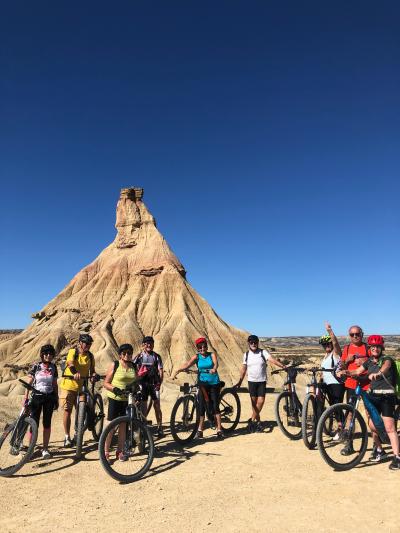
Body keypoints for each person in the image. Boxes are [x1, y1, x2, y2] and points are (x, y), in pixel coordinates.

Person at [340, 335, 400, 470]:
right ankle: (380, 450)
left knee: (389, 427)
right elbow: (357, 371)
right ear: (370, 348)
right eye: (373, 347)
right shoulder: (368, 362)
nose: (375, 349)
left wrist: (378, 374)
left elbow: (385, 367)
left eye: (378, 347)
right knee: (372, 425)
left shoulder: (387, 359)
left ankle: (397, 457)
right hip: (373, 395)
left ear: (381, 348)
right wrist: (345, 372)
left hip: (386, 396)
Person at [173, 337, 224, 439]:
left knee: (215, 406)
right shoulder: (197, 357)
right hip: (202, 383)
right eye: (200, 347)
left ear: (206, 346)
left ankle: (219, 429)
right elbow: (188, 364)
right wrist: (178, 370)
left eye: (204, 346)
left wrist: (214, 369)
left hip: (213, 382)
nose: (202, 349)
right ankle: (200, 430)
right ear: (197, 348)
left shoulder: (211, 354)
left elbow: (216, 363)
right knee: (201, 407)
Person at [234, 334, 286, 432]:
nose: (253, 344)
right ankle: (258, 423)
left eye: (255, 342)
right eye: (251, 342)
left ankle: (252, 420)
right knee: (254, 404)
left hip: (261, 381)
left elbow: (272, 360)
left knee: (260, 402)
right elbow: (244, 369)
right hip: (252, 382)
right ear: (248, 343)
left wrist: (282, 366)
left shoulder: (263, 352)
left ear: (258, 343)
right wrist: (240, 381)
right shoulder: (246, 355)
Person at [59, 333, 97, 447]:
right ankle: (67, 437)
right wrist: (75, 373)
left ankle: (78, 433)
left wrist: (94, 375)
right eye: (86, 343)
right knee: (68, 411)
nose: (88, 346)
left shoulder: (90, 356)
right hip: (69, 386)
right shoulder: (73, 352)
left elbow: (92, 370)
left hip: (82, 387)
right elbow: (70, 363)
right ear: (80, 343)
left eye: (89, 344)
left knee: (83, 412)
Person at [103, 343, 137, 462]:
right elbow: (106, 383)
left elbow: (136, 382)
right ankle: (106, 452)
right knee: (111, 426)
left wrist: (136, 390)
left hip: (127, 400)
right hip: (115, 398)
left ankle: (119, 451)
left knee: (123, 426)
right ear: (120, 355)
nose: (127, 355)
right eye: (125, 353)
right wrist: (115, 389)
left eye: (130, 353)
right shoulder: (115, 365)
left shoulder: (134, 366)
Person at [24, 344, 58, 458]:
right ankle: (30, 450)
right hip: (37, 397)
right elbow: (29, 383)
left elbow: (54, 384)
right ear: (42, 355)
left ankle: (45, 449)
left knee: (47, 424)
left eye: (51, 354)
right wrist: (26, 398)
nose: (49, 356)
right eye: (46, 353)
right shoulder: (36, 366)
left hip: (49, 397)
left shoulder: (54, 367)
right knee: (34, 424)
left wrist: (56, 398)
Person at [133, 336, 164, 438]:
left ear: (153, 345)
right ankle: (143, 427)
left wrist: (159, 382)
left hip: (154, 384)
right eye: (146, 343)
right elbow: (132, 368)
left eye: (150, 343)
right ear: (143, 345)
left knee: (157, 405)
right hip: (142, 384)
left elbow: (160, 370)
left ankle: (160, 428)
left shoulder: (156, 356)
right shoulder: (139, 357)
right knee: (143, 406)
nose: (149, 345)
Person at [319, 322, 345, 407]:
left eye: (328, 343)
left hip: (336, 383)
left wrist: (330, 331)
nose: (326, 346)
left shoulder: (336, 353)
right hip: (327, 383)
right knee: (323, 403)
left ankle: (340, 421)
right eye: (324, 344)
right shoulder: (325, 356)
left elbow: (335, 343)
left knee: (336, 407)